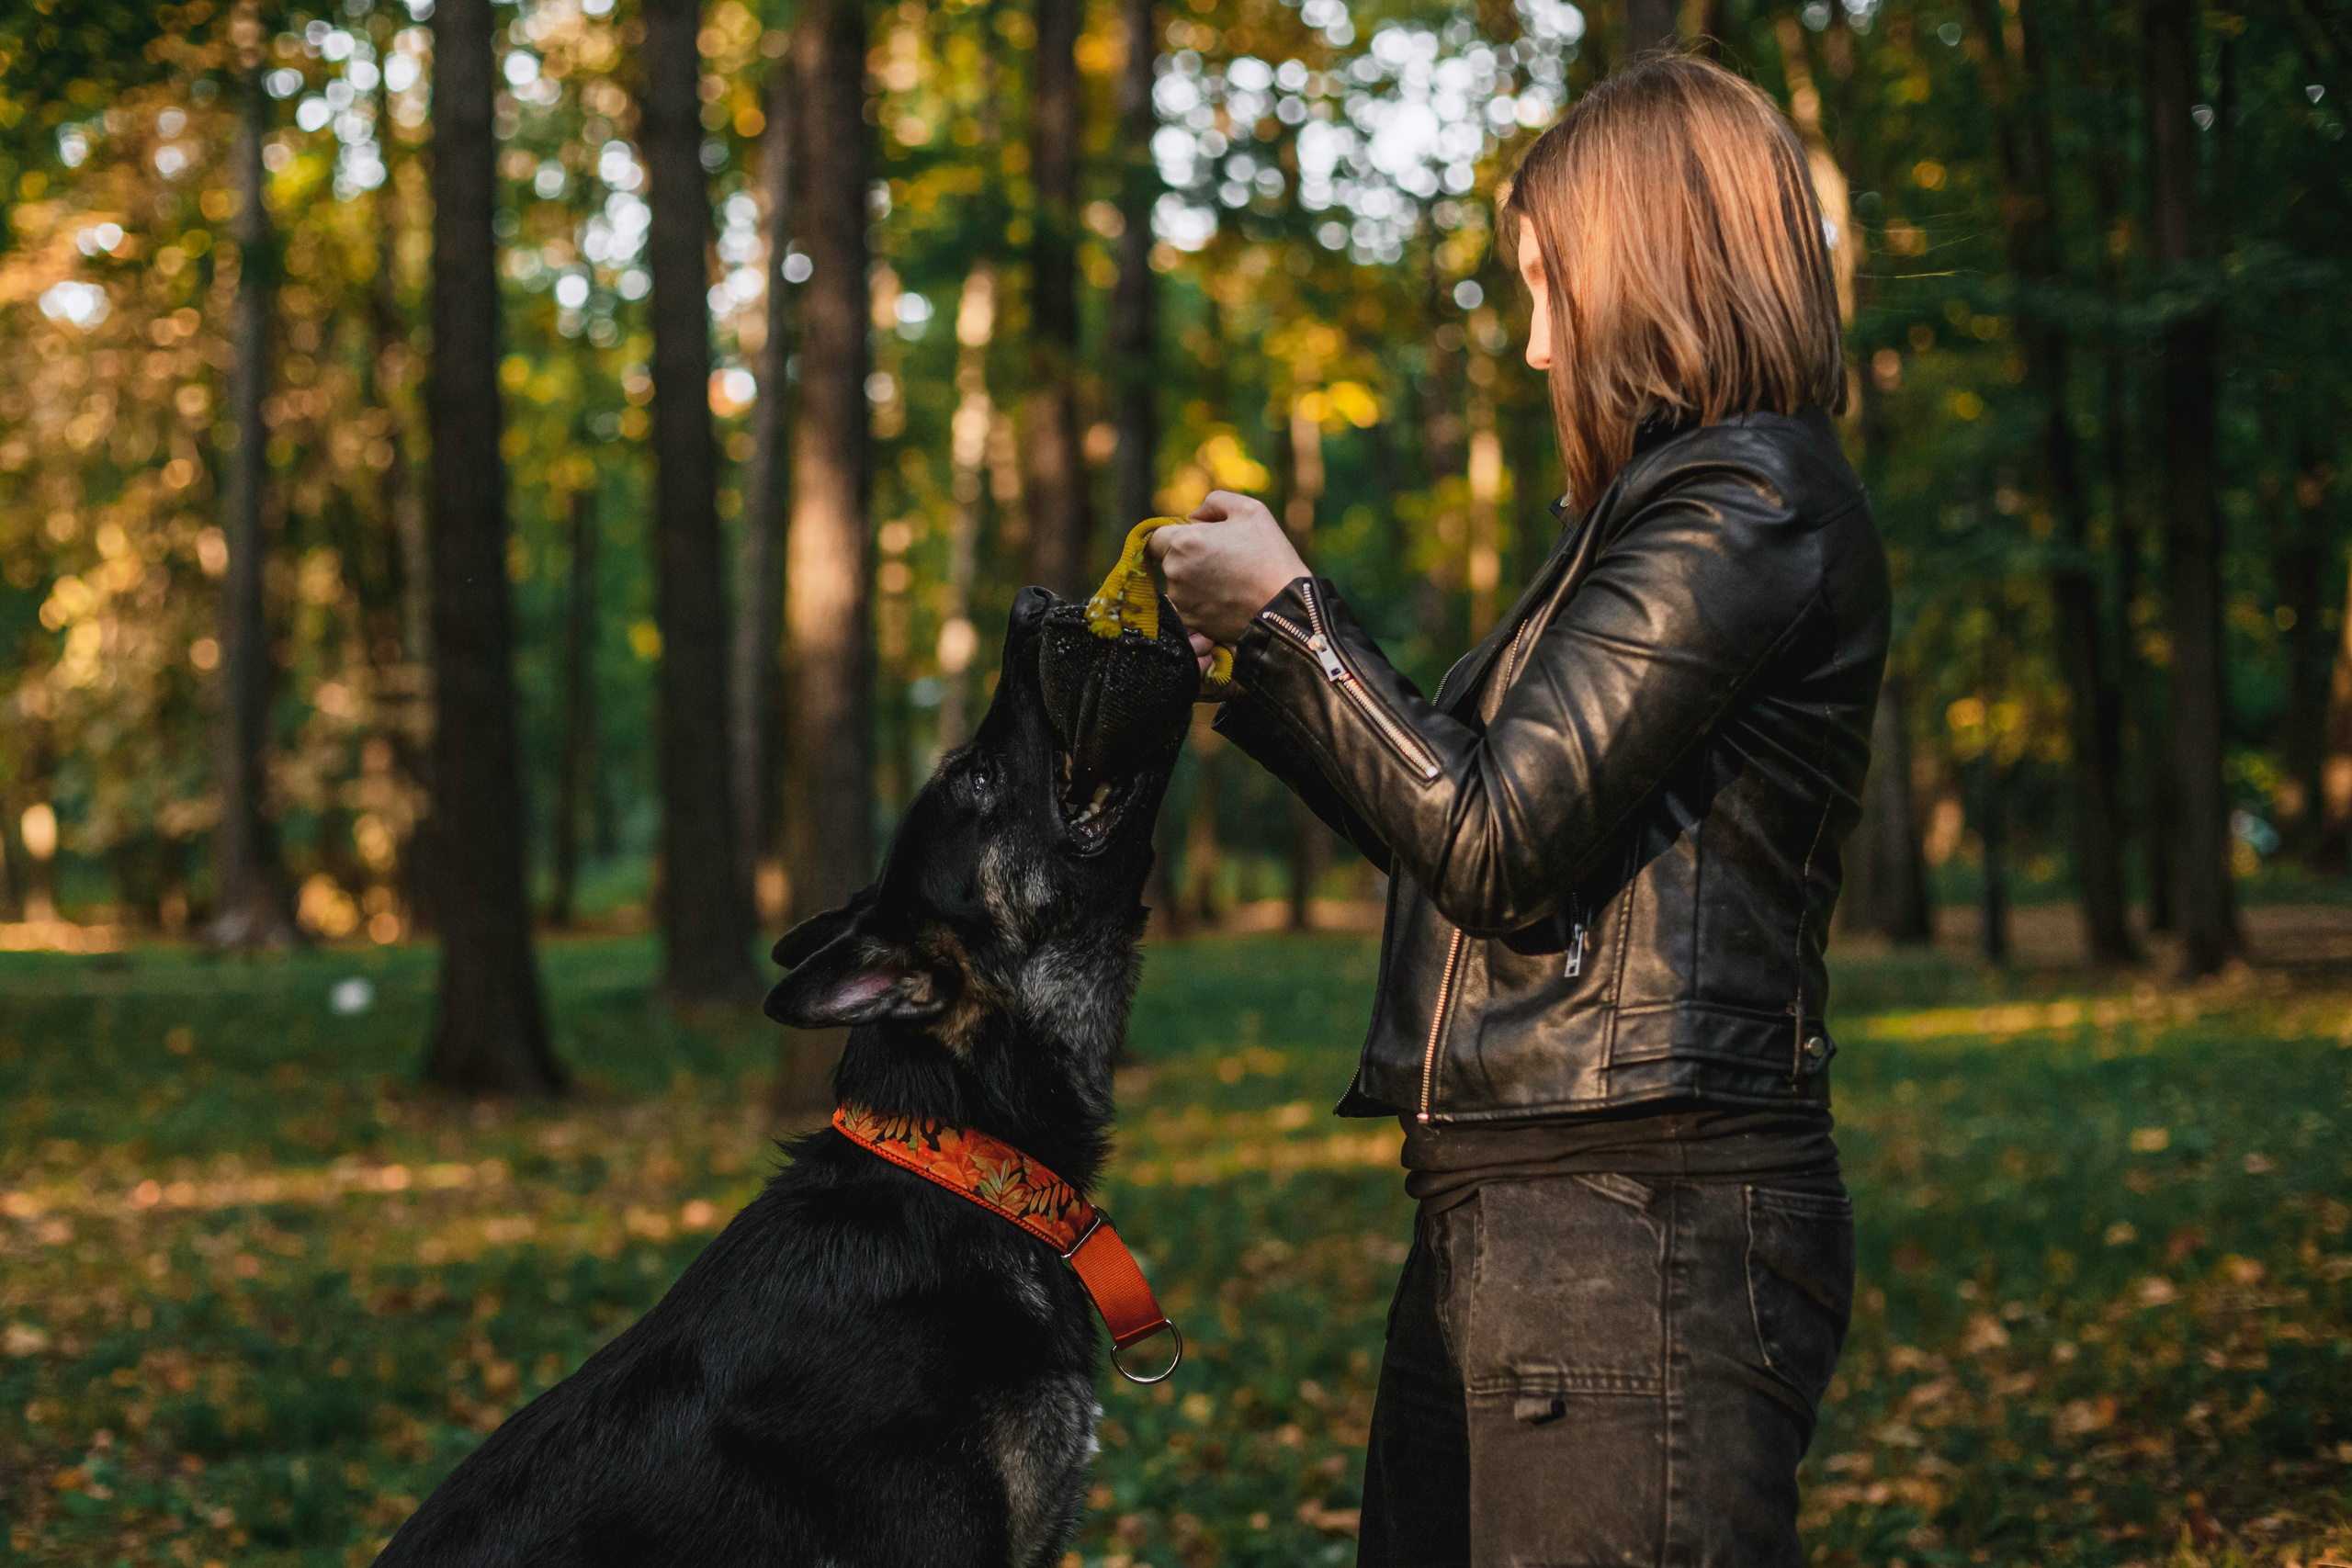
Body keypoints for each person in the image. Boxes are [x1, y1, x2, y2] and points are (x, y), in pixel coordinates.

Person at [1147, 52, 1888, 1568]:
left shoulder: (1747, 505)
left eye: (1555, 289)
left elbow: (1492, 840)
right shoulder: (1662, 516)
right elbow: (1472, 833)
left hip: (1636, 1218)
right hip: (1530, 1206)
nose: (1540, 347)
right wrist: (1265, 668)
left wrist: (1294, 621)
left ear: (1656, 274)